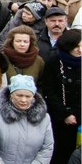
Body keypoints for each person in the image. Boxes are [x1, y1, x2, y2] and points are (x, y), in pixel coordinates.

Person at [0, 75, 54, 164]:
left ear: (33, 97)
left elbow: (47, 148)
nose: (23, 100)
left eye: (28, 96)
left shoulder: (44, 118)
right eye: (19, 95)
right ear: (11, 94)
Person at [40, 28, 82, 164]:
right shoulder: (54, 62)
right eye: (76, 46)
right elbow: (49, 90)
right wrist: (64, 114)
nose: (80, 50)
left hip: (79, 117)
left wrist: (76, 114)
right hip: (58, 118)